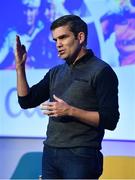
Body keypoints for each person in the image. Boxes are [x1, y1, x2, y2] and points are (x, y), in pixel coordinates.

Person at [15, 15, 120, 179]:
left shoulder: (102, 71)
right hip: (50, 152)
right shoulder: (56, 72)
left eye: (63, 37)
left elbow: (110, 120)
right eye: (55, 40)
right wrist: (20, 67)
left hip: (81, 155)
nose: (58, 44)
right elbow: (26, 101)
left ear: (80, 37)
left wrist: (70, 111)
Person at [0, 0, 57, 69]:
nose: (28, 14)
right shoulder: (11, 35)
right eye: (25, 10)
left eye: (31, 10)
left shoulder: (44, 31)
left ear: (37, 12)